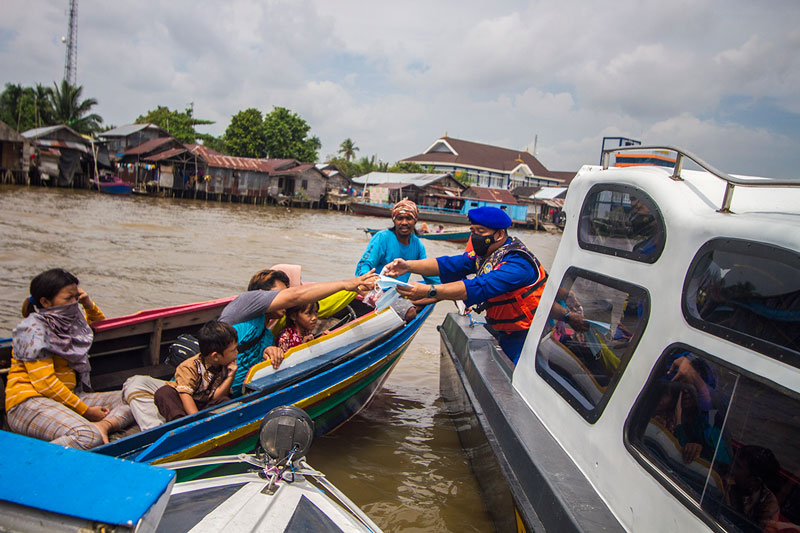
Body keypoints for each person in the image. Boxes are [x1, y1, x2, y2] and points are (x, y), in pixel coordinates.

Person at [383, 206, 552, 364]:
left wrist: (430, 291)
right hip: (504, 329)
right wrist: (408, 265)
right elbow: (449, 264)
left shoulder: (516, 263)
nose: (476, 236)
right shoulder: (486, 254)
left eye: (481, 232)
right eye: (473, 231)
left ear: (499, 234)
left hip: (527, 336)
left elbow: (479, 286)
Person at [5, 269, 134, 449]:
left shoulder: (71, 324)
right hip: (28, 403)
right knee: (87, 436)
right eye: (68, 299)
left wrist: (88, 304)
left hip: (70, 397)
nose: (74, 303)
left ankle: (103, 427)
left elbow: (99, 326)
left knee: (138, 398)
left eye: (76, 298)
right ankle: (27, 466)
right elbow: (46, 384)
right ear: (45, 302)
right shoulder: (32, 330)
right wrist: (86, 412)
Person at [218, 268, 378, 396]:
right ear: (261, 293)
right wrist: (347, 284)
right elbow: (296, 296)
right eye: (281, 294)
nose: (286, 300)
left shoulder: (267, 334)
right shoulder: (247, 301)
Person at [153, 321, 238, 421]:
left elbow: (216, 397)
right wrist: (197, 420)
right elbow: (185, 395)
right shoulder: (190, 366)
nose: (237, 352)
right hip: (185, 404)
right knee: (164, 393)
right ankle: (180, 423)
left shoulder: (225, 366)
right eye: (233, 350)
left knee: (224, 401)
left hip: (204, 404)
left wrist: (230, 376)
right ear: (215, 356)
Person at [355, 199, 439, 284]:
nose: (404, 222)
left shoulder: (417, 245)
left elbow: (427, 272)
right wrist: (370, 279)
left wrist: (442, 290)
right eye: (400, 218)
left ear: (415, 221)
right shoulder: (382, 238)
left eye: (409, 218)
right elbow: (364, 265)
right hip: (377, 288)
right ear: (394, 220)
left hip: (398, 292)